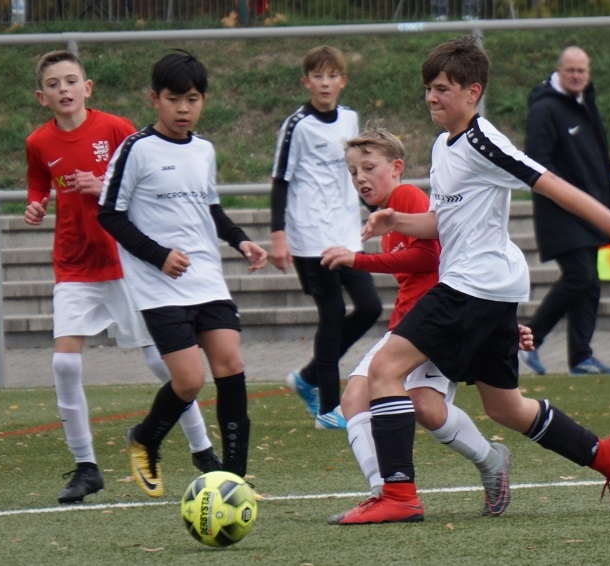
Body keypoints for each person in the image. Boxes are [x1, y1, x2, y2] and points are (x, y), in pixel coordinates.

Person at [329, 36, 610, 525]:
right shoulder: (444, 145)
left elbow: (550, 183)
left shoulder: (483, 140)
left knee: (384, 371)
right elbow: (444, 223)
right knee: (506, 407)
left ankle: (398, 495)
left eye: (442, 88)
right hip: (489, 286)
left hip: (472, 285)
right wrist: (396, 222)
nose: (431, 97)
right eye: (428, 88)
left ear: (473, 92)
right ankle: (604, 453)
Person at [24, 50, 221, 504]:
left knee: (163, 364)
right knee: (65, 364)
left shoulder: (116, 130)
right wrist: (36, 203)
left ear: (87, 87)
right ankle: (86, 467)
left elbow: (143, 184)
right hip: (75, 265)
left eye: (71, 81)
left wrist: (103, 187)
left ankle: (203, 451)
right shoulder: (38, 142)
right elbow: (39, 182)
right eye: (53, 84)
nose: (64, 90)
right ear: (42, 97)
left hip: (126, 262)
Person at [320, 126, 535, 521]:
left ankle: (482, 464)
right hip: (413, 322)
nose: (360, 178)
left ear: (396, 167)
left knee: (413, 403)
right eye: (353, 172)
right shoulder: (389, 213)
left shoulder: (406, 198)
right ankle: (386, 492)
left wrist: (357, 260)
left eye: (369, 167)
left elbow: (429, 258)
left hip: (437, 322)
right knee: (383, 402)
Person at [97, 50, 268, 498]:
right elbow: (109, 214)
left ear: (203, 100)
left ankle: (234, 478)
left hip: (206, 278)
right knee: (190, 380)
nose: (183, 109)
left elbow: (209, 208)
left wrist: (241, 240)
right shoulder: (136, 149)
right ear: (154, 99)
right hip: (159, 284)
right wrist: (158, 256)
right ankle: (145, 439)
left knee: (231, 364)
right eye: (173, 99)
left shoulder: (203, 150)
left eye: (192, 99)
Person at [269, 45, 382, 430]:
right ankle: (328, 409)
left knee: (369, 307)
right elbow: (280, 181)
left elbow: (360, 172)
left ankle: (308, 377)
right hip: (310, 237)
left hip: (347, 234)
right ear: (307, 82)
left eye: (332, 76)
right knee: (332, 314)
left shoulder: (350, 120)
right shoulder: (296, 125)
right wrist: (278, 235)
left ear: (343, 81)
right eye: (317, 76)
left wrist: (375, 210)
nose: (325, 83)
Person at [520, 46, 610, 376]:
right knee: (580, 275)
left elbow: (601, 162)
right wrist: (569, 194)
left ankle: (581, 357)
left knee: (591, 282)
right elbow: (537, 163)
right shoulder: (544, 109)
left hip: (592, 211)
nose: (577, 76)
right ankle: (526, 341)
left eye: (582, 70)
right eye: (571, 70)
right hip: (560, 212)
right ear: (559, 71)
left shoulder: (585, 104)